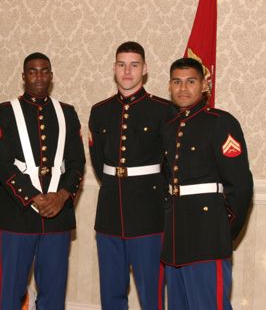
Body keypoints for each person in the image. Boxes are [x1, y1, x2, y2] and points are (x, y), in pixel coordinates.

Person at [0, 52, 85, 310]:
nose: (39, 76)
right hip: (17, 216)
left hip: (57, 217)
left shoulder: (67, 112)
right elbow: (0, 162)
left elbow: (77, 163)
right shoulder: (4, 112)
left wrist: (62, 196)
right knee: (10, 291)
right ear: (24, 77)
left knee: (53, 293)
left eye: (44, 71)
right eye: (33, 71)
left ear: (52, 76)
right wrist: (32, 196)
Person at [161, 57, 253, 310]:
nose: (183, 88)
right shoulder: (169, 127)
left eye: (191, 81)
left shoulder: (220, 122)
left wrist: (224, 228)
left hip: (207, 233)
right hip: (175, 235)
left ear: (203, 85)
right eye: (177, 82)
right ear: (169, 86)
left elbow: (241, 185)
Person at [88, 41, 173, 310]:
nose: (127, 71)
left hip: (149, 213)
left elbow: (171, 165)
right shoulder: (100, 111)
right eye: (122, 64)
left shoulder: (163, 110)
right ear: (114, 68)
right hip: (111, 211)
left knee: (152, 293)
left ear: (144, 69)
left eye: (134, 65)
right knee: (111, 291)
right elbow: (99, 161)